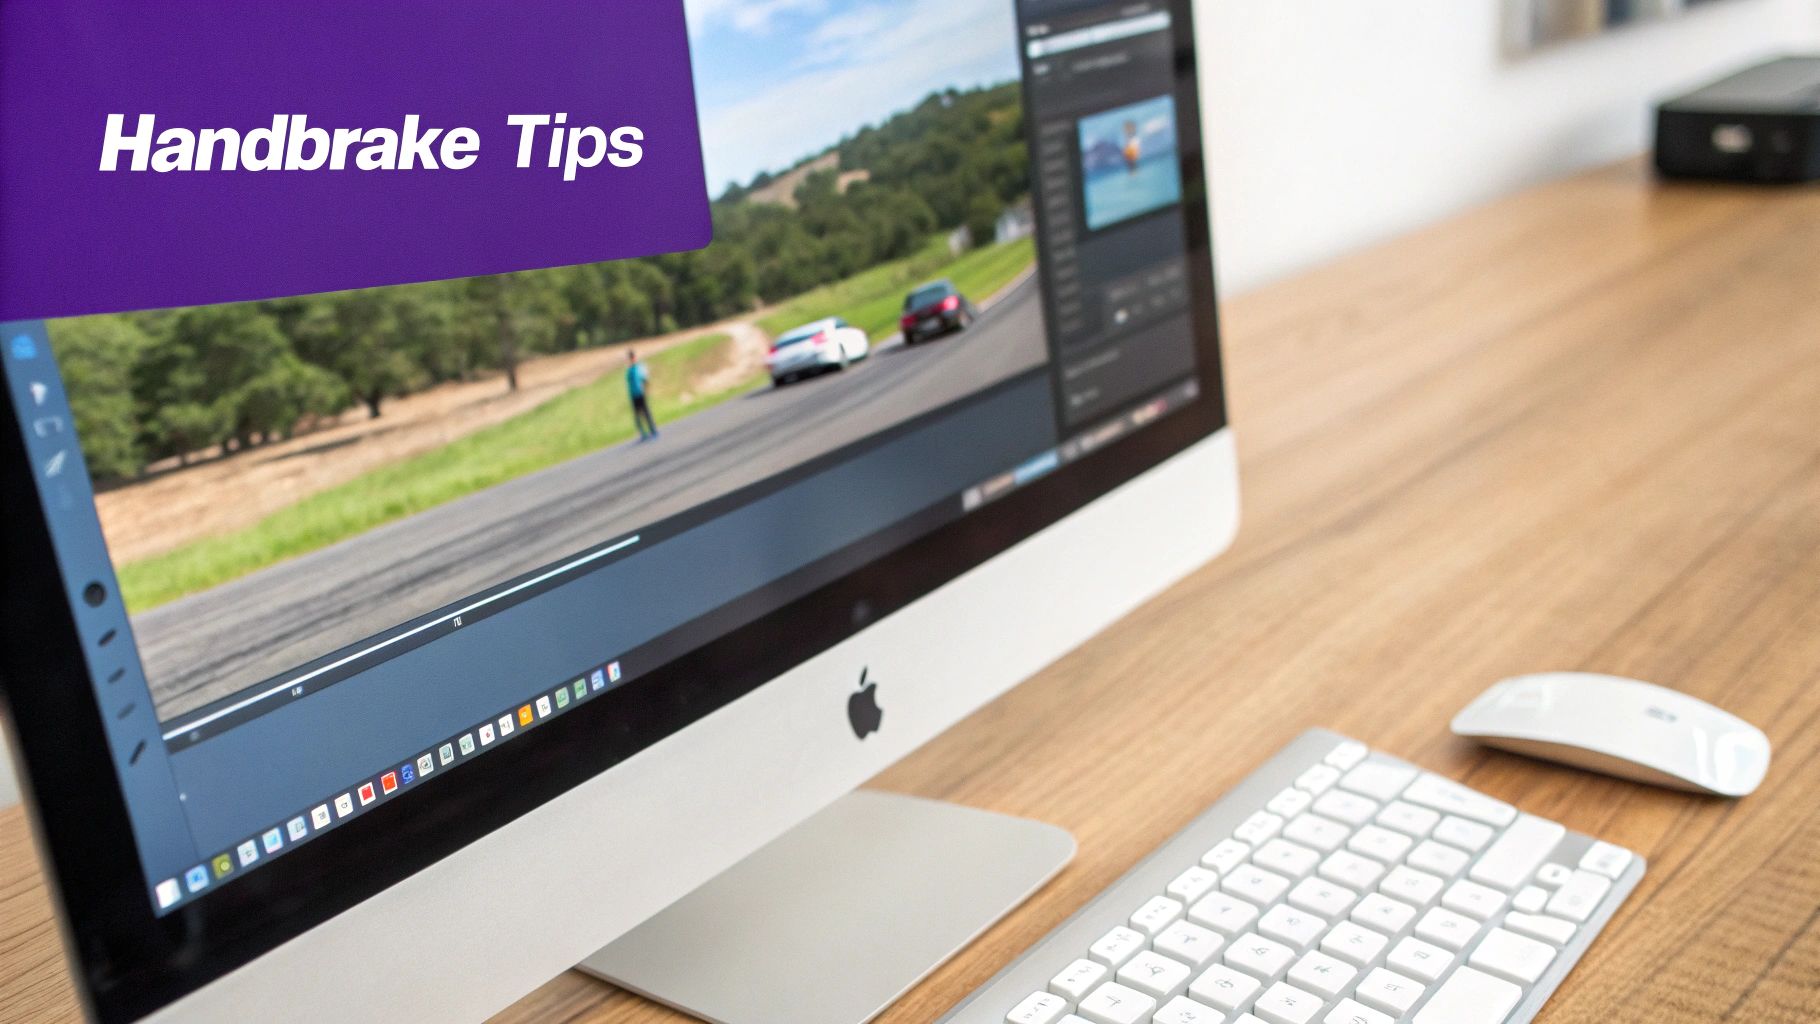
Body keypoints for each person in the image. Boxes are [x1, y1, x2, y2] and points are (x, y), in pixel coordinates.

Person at [626, 350, 658, 440]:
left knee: (646, 412)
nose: (632, 359)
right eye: (630, 358)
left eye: (633, 357)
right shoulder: (629, 370)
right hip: (633, 395)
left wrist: (647, 390)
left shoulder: (639, 367)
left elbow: (645, 380)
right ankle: (643, 433)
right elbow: (629, 383)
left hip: (641, 393)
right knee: (637, 415)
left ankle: (653, 430)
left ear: (635, 357)